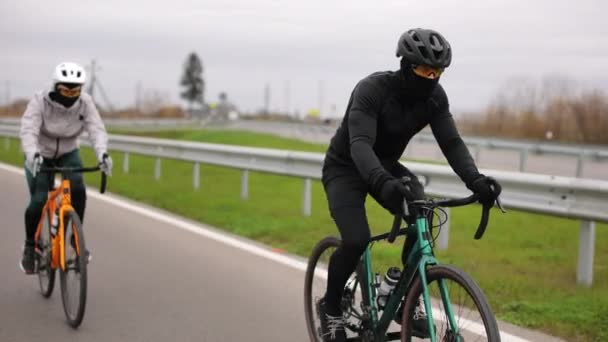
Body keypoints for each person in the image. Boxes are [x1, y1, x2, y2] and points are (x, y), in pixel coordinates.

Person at [318, 28, 501, 341]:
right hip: (345, 167)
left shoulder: (434, 99)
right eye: (423, 70)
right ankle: (331, 307)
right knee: (357, 239)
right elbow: (360, 144)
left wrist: (476, 180)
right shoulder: (372, 89)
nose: (430, 78)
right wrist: (383, 182)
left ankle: (403, 293)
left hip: (386, 167)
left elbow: (452, 143)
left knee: (422, 209)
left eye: (437, 72)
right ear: (405, 65)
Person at [19, 62, 113, 274]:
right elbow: (28, 129)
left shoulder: (85, 103)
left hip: (68, 151)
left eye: (75, 90)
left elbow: (96, 129)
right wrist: (32, 152)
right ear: (56, 86)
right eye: (66, 89)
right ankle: (29, 247)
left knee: (78, 188)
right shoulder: (39, 101)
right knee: (39, 199)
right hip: (40, 153)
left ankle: (75, 240)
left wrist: (102, 154)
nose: (71, 95)